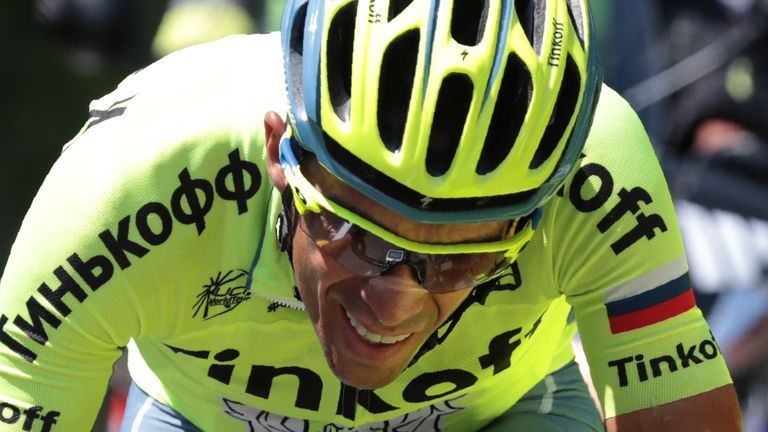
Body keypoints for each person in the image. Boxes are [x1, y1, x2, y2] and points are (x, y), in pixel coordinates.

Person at [0, 0, 741, 430]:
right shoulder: (141, 174)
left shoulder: (594, 171)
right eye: (355, 234)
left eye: (457, 259)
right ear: (278, 152)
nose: (393, 304)